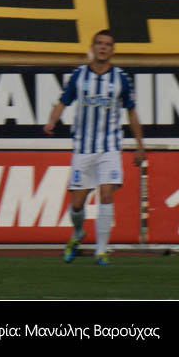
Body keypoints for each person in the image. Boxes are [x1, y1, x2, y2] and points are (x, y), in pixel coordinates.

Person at [44, 30, 145, 266]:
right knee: (77, 204)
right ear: (93, 47)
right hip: (83, 147)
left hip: (109, 147)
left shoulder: (120, 78)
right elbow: (62, 102)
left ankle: (101, 251)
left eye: (107, 44)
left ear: (113, 50)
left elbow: (131, 112)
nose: (103, 47)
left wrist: (140, 146)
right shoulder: (79, 75)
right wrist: (51, 121)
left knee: (106, 194)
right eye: (99, 43)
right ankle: (78, 233)